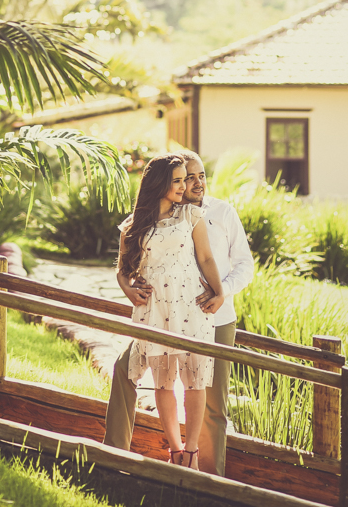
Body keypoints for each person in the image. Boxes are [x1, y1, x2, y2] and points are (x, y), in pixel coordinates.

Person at [105, 151, 254, 476]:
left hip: (214, 313)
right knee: (129, 370)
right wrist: (131, 287)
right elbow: (129, 263)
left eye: (199, 175)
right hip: (159, 313)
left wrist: (221, 291)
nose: (195, 182)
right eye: (189, 177)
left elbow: (241, 264)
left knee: (212, 400)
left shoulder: (220, 212)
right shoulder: (157, 217)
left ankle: (209, 477)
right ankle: (117, 455)